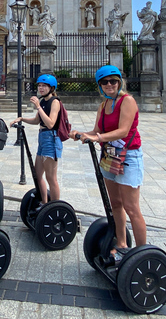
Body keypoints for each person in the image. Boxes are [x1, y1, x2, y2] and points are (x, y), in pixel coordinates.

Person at [69, 65, 146, 261]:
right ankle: (121, 244)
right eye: (105, 82)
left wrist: (98, 138)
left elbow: (123, 131)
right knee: (116, 204)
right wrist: (82, 134)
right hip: (111, 156)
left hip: (128, 156)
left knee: (131, 207)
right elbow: (96, 131)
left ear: (120, 82)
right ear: (100, 86)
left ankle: (142, 254)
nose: (109, 85)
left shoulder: (126, 101)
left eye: (113, 81)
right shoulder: (104, 105)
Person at [12, 74, 63, 206]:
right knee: (38, 174)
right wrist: (22, 119)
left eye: (44, 86)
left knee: (51, 178)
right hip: (42, 137)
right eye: (39, 85)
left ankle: (55, 206)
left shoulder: (55, 102)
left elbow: (51, 123)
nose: (41, 88)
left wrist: (38, 107)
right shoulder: (44, 101)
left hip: (51, 138)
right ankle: (44, 203)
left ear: (51, 88)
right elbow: (37, 120)